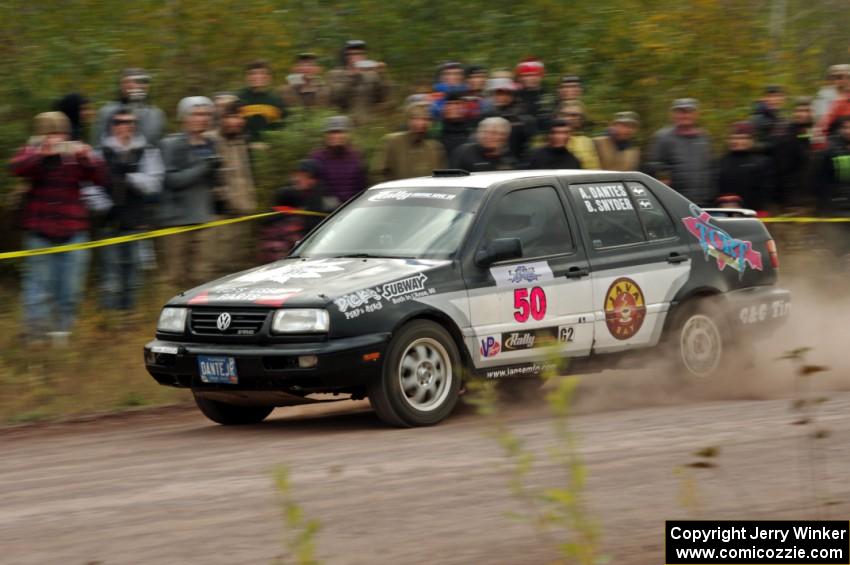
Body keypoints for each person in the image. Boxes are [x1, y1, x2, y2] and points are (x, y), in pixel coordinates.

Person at [9, 112, 107, 342]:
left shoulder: (75, 154)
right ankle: (36, 336)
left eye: (60, 132)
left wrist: (87, 157)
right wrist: (42, 154)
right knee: (37, 287)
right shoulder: (31, 151)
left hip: (73, 231)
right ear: (41, 134)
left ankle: (62, 333)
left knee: (70, 288)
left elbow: (101, 177)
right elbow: (15, 168)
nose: (56, 138)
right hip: (39, 231)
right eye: (50, 132)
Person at [98, 107, 164, 311]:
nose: (126, 126)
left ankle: (130, 317)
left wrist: (128, 178)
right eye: (120, 122)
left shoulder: (147, 151)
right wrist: (103, 206)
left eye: (130, 122)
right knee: (111, 274)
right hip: (109, 221)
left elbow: (154, 183)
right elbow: (90, 186)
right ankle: (111, 319)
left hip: (137, 220)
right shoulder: (100, 152)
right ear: (112, 126)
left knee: (134, 272)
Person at [159, 97, 220, 288]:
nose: (202, 119)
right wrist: (204, 167)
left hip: (204, 218)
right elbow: (171, 180)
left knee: (203, 276)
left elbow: (211, 182)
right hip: (177, 221)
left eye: (206, 114)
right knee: (174, 278)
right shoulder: (171, 144)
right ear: (184, 117)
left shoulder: (211, 144)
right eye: (196, 114)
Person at [207, 100, 258, 271]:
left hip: (244, 213)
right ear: (221, 119)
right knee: (219, 266)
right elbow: (209, 178)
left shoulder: (242, 142)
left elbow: (247, 175)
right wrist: (223, 202)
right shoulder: (211, 141)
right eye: (231, 117)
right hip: (221, 216)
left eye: (239, 117)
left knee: (239, 267)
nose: (236, 121)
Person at [259, 159, 335, 263]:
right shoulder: (288, 194)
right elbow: (273, 218)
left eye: (302, 176)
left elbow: (322, 225)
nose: (297, 179)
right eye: (297, 175)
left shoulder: (325, 197)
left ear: (313, 180)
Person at [647, 98, 713, 206]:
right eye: (680, 112)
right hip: (674, 202)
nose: (684, 116)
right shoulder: (662, 138)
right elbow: (654, 167)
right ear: (673, 115)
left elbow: (711, 168)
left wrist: (711, 196)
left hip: (702, 202)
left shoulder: (704, 137)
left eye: (688, 112)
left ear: (696, 114)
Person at [372, 103, 447, 182]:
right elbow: (378, 174)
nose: (421, 123)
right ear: (408, 121)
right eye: (416, 119)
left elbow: (442, 179)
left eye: (425, 119)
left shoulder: (435, 148)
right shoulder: (392, 142)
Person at [94, 68, 166, 146]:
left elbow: (160, 146)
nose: (140, 86)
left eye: (144, 82)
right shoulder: (107, 112)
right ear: (122, 85)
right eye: (133, 81)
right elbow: (97, 145)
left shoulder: (156, 114)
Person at [713, 122, 772, 213]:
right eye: (734, 138)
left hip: (755, 212)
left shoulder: (762, 162)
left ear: (751, 140)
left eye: (743, 138)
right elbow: (716, 189)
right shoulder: (720, 162)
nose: (738, 141)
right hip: (726, 212)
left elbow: (767, 192)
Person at [309, 115, 367, 204]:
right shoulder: (317, 157)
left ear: (347, 135)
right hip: (327, 211)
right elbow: (313, 188)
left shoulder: (356, 156)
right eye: (331, 132)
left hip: (352, 208)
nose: (335, 136)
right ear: (326, 136)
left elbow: (361, 186)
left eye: (339, 132)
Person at [328, 40, 390, 122]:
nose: (357, 57)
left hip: (369, 123)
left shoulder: (372, 74)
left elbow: (383, 98)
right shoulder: (336, 74)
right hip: (346, 124)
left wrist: (381, 75)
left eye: (360, 53)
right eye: (353, 54)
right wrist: (353, 76)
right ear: (346, 56)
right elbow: (337, 98)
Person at [816, 115, 850, 265]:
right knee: (837, 250)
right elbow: (818, 180)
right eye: (846, 127)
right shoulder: (829, 150)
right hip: (835, 210)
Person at [481, 77, 536, 161]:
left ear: (511, 95)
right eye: (498, 93)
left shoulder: (522, 118)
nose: (500, 97)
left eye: (504, 93)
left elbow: (529, 144)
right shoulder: (487, 116)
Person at [775, 97, 816, 207]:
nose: (803, 114)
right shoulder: (788, 137)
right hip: (793, 199)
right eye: (799, 111)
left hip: (811, 196)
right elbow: (783, 172)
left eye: (807, 111)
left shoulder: (810, 133)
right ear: (794, 113)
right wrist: (791, 201)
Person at [238, 60, 287, 143]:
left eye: (262, 73)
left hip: (271, 148)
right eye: (253, 73)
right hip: (243, 147)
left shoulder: (276, 100)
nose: (257, 76)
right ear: (247, 77)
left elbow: (284, 126)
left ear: (269, 77)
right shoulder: (238, 99)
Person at [450, 117, 516, 172]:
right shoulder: (464, 152)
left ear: (505, 136)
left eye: (494, 133)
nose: (488, 136)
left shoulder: (509, 161)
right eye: (484, 132)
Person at [558, 102, 600, 169]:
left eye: (576, 115)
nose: (571, 118)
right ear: (559, 117)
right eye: (566, 115)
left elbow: (595, 169)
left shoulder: (587, 141)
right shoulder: (554, 140)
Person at [514, 58, 550, 130]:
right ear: (520, 78)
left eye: (534, 75)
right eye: (526, 75)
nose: (530, 78)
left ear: (540, 76)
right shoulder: (515, 96)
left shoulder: (547, 96)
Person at [438, 91, 473, 158]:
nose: (453, 107)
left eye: (457, 103)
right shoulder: (437, 129)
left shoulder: (471, 129)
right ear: (444, 108)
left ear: (463, 106)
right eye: (449, 104)